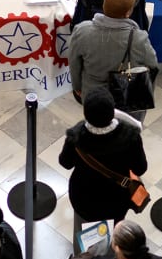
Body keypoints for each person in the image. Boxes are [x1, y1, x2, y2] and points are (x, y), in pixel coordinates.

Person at [59, 88, 147, 226]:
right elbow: (140, 168)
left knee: (85, 230)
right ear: (112, 111)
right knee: (115, 229)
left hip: (83, 197)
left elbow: (65, 162)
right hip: (117, 199)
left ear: (86, 113)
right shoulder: (130, 136)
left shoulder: (75, 136)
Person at [67, 0, 158, 115]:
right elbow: (152, 66)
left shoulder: (82, 31)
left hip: (92, 96)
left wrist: (77, 87)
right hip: (126, 96)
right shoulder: (139, 38)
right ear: (128, 12)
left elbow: (74, 62)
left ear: (104, 6)